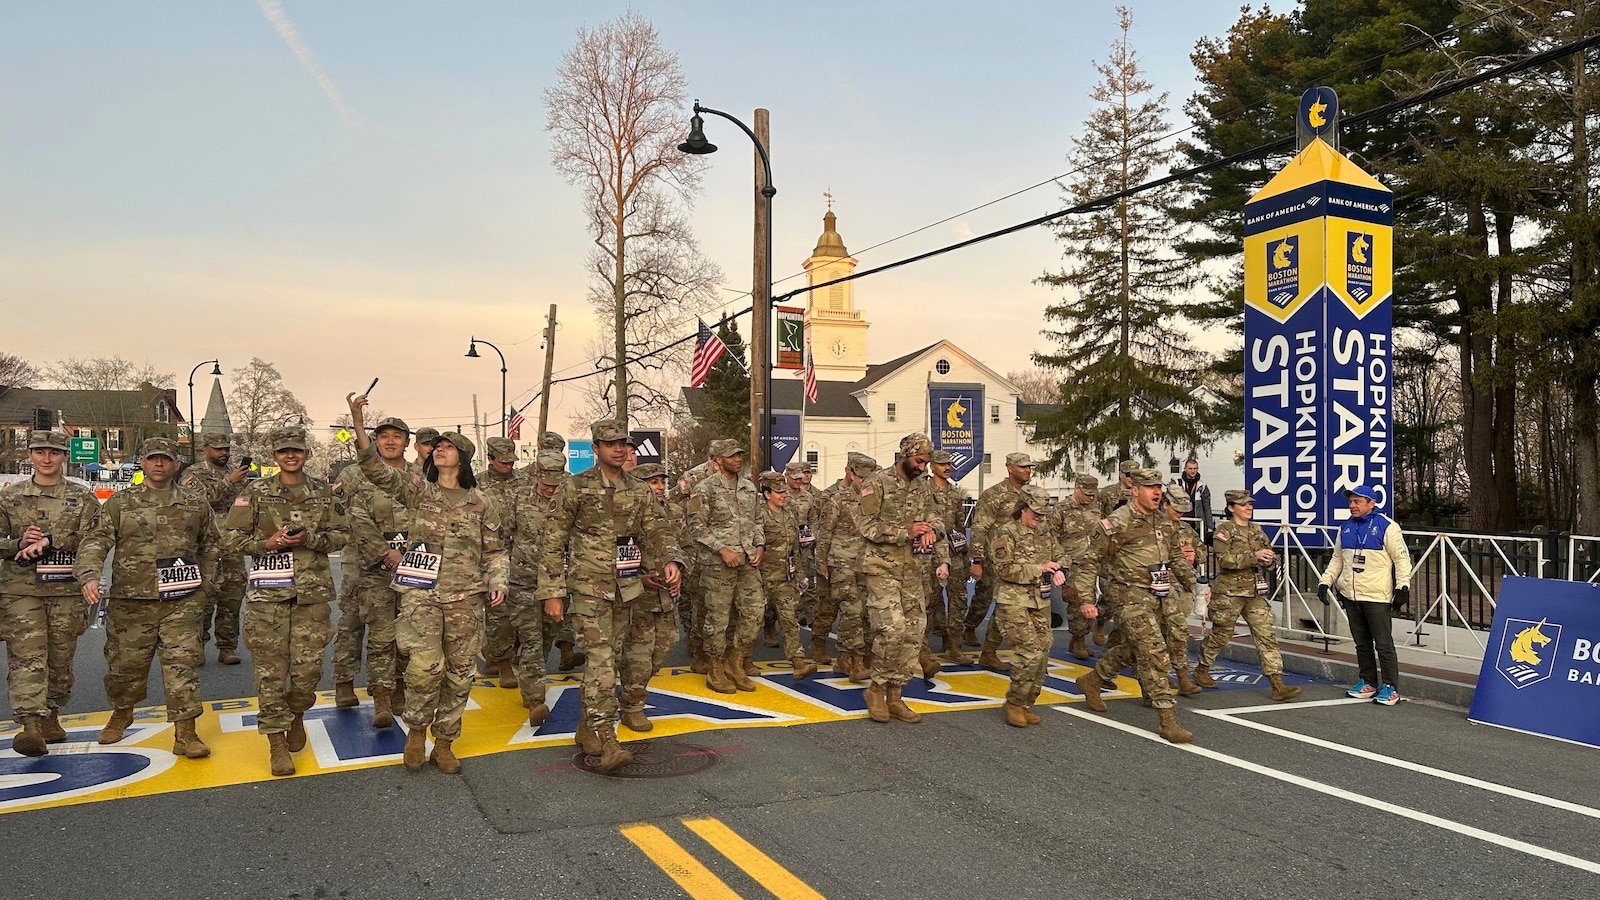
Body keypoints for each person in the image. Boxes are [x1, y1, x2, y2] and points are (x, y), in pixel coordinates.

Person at [347, 394, 508, 774]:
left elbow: (496, 550)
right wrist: (358, 422)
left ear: (463, 458)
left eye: (448, 448)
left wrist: (498, 579)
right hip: (421, 594)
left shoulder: (482, 503)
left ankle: (446, 741)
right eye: (437, 447)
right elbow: (374, 470)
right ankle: (417, 731)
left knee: (461, 671)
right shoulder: (418, 490)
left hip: (466, 597)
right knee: (423, 668)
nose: (440, 451)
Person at [538, 419, 682, 773]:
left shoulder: (638, 489)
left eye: (624, 443)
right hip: (588, 587)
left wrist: (671, 560)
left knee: (611, 658)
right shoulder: (575, 487)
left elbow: (658, 528)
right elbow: (553, 540)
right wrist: (552, 592)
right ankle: (607, 738)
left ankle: (587, 725)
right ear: (596, 448)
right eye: (611, 443)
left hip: (627, 587)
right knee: (602, 662)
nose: (619, 448)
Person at [75, 437, 220, 760]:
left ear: (176, 464)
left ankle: (185, 732)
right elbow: (96, 541)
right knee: (125, 668)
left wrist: (206, 584)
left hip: (182, 600)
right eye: (153, 458)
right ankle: (122, 711)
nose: (159, 464)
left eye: (165, 459)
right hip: (131, 601)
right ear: (141, 462)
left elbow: (211, 545)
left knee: (182, 665)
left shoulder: (195, 503)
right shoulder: (120, 503)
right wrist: (89, 575)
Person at [221, 426, 346, 776]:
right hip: (267, 598)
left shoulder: (323, 492)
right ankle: (276, 741)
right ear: (274, 456)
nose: (290, 456)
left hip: (311, 596)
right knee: (270, 674)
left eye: (296, 451)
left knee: (307, 673)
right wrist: (266, 544)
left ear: (306, 454)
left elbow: (343, 534)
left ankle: (297, 712)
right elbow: (230, 537)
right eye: (283, 452)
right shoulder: (255, 491)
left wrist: (314, 538)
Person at [1073, 467, 1196, 744]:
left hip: (1159, 593)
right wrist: (1085, 599)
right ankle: (1168, 719)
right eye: (1151, 488)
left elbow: (1175, 555)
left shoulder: (1162, 521)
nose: (1157, 492)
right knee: (1154, 651)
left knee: (1134, 646)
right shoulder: (1117, 522)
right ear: (1135, 490)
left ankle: (1093, 680)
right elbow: (1090, 561)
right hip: (1128, 595)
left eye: (1159, 487)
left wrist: (1192, 582)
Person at [0, 430, 101, 756]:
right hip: (21, 590)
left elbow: (94, 540)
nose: (46, 459)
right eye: (40, 452)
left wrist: (88, 576)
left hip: (65, 591)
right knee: (27, 658)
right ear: (30, 455)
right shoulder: (10, 498)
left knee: (60, 660)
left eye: (54, 453)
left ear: (64, 456)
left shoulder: (81, 498)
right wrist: (17, 544)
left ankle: (51, 716)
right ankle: (30, 727)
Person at [991, 485, 1098, 727]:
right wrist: (1040, 569)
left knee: (1043, 649)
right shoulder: (1006, 533)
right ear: (1023, 509)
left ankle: (1028, 702)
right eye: (1035, 513)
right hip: (1014, 600)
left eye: (1043, 514)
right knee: (1029, 650)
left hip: (1040, 600)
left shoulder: (1044, 532)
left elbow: (1062, 555)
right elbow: (1003, 568)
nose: (1039, 518)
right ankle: (1015, 703)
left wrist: (1058, 567)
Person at [332, 415, 413, 726]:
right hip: (365, 562)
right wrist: (385, 552)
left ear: (407, 442)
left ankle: (398, 686)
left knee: (406, 630)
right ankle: (346, 682)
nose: (390, 441)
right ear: (375, 441)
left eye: (397, 436)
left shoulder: (420, 476)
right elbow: (352, 515)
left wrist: (411, 554)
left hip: (412, 566)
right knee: (356, 623)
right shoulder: (356, 474)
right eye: (384, 436)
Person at [857, 432, 942, 724]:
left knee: (914, 632)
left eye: (927, 462)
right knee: (892, 630)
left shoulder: (923, 486)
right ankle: (876, 689)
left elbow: (935, 516)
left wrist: (932, 531)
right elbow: (866, 526)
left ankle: (896, 694)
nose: (923, 467)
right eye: (919, 461)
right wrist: (906, 531)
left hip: (913, 571)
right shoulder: (876, 483)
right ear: (905, 454)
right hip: (882, 568)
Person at [1196, 489, 1300, 701]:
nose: (1249, 508)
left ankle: (1277, 683)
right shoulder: (1224, 530)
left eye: (1250, 504)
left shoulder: (1257, 530)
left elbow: (1267, 555)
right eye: (1244, 505)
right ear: (1232, 508)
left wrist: (1269, 560)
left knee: (1266, 634)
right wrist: (1254, 556)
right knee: (1221, 635)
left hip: (1254, 592)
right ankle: (1202, 668)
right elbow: (1223, 560)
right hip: (1229, 592)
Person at [1318, 485, 1412, 706]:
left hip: (1376, 596)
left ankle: (1390, 687)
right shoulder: (1345, 528)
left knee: (1384, 644)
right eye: (1351, 502)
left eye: (1357, 501)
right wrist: (1325, 581)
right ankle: (1367, 681)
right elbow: (1337, 559)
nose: (1352, 506)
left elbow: (1401, 559)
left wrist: (1403, 586)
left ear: (1372, 503)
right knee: (1361, 643)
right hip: (1351, 595)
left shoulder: (1388, 527)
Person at [689, 439, 764, 694]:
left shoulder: (749, 488)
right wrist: (722, 549)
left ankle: (735, 661)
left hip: (747, 562)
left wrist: (760, 547)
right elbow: (696, 527)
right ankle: (716, 668)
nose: (737, 459)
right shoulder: (705, 489)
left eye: (739, 455)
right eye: (731, 456)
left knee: (754, 614)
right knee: (717, 621)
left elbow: (757, 521)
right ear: (718, 460)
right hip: (718, 564)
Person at [501, 449, 568, 727]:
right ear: (537, 476)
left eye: (556, 484)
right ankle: (534, 698)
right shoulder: (517, 498)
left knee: (546, 636)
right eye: (546, 484)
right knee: (531, 638)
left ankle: (530, 675)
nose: (550, 490)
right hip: (523, 581)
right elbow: (502, 537)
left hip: (558, 583)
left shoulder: (570, 500)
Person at [623, 462, 690, 731]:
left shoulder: (674, 512)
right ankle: (632, 706)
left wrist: (680, 571)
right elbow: (616, 557)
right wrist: (638, 579)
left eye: (662, 481)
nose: (660, 487)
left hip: (667, 599)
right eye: (653, 482)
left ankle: (631, 693)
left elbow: (686, 547)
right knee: (637, 656)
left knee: (658, 656)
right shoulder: (627, 515)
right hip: (637, 598)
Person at [179, 432, 249, 665]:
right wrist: (229, 481)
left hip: (233, 546)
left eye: (226, 449)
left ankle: (227, 646)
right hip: (206, 548)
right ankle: (197, 645)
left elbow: (245, 506)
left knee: (232, 597)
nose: (223, 453)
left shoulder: (239, 476)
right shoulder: (194, 473)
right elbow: (198, 502)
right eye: (218, 449)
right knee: (203, 599)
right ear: (205, 449)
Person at [967, 452, 1035, 672]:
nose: (1027, 470)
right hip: (996, 560)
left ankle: (991, 650)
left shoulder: (1031, 496)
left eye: (1029, 467)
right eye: (1022, 467)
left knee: (1008, 605)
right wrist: (977, 560)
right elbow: (979, 528)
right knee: (985, 597)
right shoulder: (994, 494)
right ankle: (971, 627)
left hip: (1023, 561)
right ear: (1009, 468)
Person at [813, 452, 879, 680]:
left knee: (864, 615)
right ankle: (856, 661)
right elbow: (824, 533)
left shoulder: (873, 499)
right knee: (852, 611)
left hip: (866, 564)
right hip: (841, 563)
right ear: (851, 474)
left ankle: (843, 658)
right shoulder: (838, 499)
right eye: (861, 477)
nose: (865, 482)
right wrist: (821, 564)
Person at [755, 471, 818, 680]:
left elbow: (795, 548)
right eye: (778, 492)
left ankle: (797, 662)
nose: (783, 495)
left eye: (784, 491)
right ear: (767, 494)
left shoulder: (789, 513)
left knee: (790, 619)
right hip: (761, 578)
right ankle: (739, 661)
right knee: (751, 621)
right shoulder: (758, 515)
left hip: (785, 578)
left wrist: (799, 574)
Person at [478, 436, 524, 689]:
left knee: (522, 612)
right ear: (491, 459)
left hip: (521, 555)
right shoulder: (477, 484)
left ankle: (496, 652)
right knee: (499, 613)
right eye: (503, 462)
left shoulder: (524, 482)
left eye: (511, 461)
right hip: (492, 554)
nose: (508, 466)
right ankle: (505, 664)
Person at [1048, 473, 1104, 660]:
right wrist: (1059, 562)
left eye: (1092, 494)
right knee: (1078, 600)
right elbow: (1051, 537)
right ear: (1077, 489)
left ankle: (1083, 636)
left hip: (1093, 561)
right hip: (1072, 563)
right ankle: (1078, 639)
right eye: (1087, 493)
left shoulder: (1096, 508)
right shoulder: (1061, 509)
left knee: (1093, 599)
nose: (1090, 497)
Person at [1158, 485, 1204, 697]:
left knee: (1177, 632)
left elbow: (1203, 551)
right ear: (1165, 505)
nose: (1180, 514)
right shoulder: (1153, 526)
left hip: (1180, 588)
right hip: (1158, 586)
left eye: (1183, 511)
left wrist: (1194, 555)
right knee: (1158, 634)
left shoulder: (1186, 529)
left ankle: (1179, 676)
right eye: (1176, 509)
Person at [925, 449, 971, 664]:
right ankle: (923, 646)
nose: (947, 467)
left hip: (953, 550)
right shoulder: (923, 491)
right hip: (928, 550)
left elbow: (960, 525)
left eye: (949, 464)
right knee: (929, 599)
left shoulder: (955, 494)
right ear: (932, 466)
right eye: (942, 464)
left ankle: (954, 644)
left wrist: (965, 552)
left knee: (958, 598)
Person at [1171, 457, 1215, 533]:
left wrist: (1210, 527)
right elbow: (1169, 504)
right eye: (1190, 468)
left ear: (1198, 469)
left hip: (1197, 524)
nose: (1193, 471)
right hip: (1179, 522)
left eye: (1195, 468)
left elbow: (1207, 508)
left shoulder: (1202, 486)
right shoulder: (1177, 484)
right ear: (1185, 469)